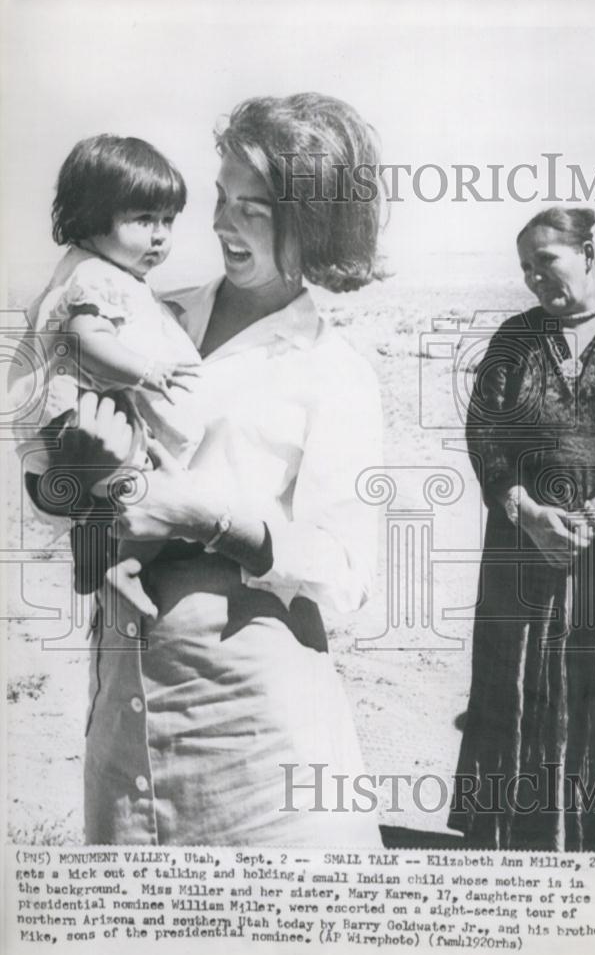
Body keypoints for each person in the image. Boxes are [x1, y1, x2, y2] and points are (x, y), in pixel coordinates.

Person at [22, 94, 386, 847]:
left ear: (312, 220)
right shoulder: (147, 316)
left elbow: (345, 568)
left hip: (254, 723)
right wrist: (72, 474)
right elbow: (53, 495)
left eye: (253, 209)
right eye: (220, 199)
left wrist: (207, 517)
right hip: (126, 702)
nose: (221, 225)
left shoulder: (332, 368)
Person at [448, 207, 595, 852]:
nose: (534, 279)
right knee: (527, 683)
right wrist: (524, 509)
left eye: (544, 260)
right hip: (526, 541)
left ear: (586, 251)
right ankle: (520, 837)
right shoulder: (514, 338)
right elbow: (486, 435)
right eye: (524, 268)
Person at [10, 134, 202, 618]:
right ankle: (116, 567)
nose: (160, 235)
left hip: (65, 417)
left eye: (167, 221)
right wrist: (146, 370)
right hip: (79, 410)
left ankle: (98, 566)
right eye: (143, 219)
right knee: (135, 484)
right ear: (92, 218)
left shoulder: (90, 268)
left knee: (100, 503)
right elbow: (87, 339)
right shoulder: (97, 276)